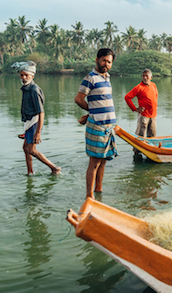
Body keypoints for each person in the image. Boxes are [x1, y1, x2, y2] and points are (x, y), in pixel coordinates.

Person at [74, 48, 118, 199]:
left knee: (103, 161)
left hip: (108, 127)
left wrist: (90, 113)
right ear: (97, 60)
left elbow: (99, 102)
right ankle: (89, 196)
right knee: (94, 162)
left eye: (109, 61)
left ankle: (99, 190)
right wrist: (91, 112)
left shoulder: (107, 77)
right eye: (104, 60)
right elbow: (79, 99)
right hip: (98, 126)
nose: (106, 64)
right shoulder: (91, 77)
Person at [11, 61, 61, 175]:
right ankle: (30, 172)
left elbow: (41, 112)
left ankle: (54, 168)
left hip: (35, 122)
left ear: (32, 76)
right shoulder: (26, 88)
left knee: (31, 150)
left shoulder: (34, 90)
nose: (23, 77)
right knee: (25, 148)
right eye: (22, 75)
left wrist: (37, 132)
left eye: (26, 75)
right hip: (29, 122)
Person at [124, 68, 158, 140]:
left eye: (146, 76)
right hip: (144, 115)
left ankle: (150, 150)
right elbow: (127, 97)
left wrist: (155, 106)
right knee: (140, 137)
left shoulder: (153, 85)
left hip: (153, 115)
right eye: (143, 76)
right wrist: (135, 109)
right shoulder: (138, 87)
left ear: (151, 77)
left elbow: (156, 95)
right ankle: (136, 151)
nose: (145, 77)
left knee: (152, 136)